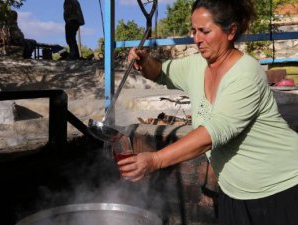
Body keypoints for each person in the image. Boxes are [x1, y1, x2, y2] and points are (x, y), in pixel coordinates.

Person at [119, 0, 298, 224]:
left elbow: (214, 133)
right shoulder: (197, 65)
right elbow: (160, 72)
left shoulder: (246, 73)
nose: (196, 39)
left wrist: (154, 159)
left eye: (205, 31)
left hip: (281, 187)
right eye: (193, 31)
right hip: (234, 192)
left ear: (231, 31)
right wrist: (145, 62)